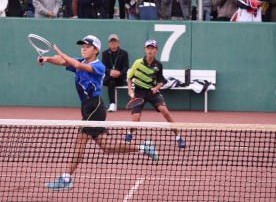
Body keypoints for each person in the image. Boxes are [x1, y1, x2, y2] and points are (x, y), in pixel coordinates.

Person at [41, 35, 159, 191]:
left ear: (96, 50)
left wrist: (60, 52)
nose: (83, 48)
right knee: (107, 147)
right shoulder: (80, 61)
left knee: (79, 142)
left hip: (95, 107)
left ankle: (66, 178)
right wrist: (48, 59)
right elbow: (63, 62)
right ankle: (143, 148)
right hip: (87, 107)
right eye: (82, 46)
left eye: (87, 46)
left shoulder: (99, 66)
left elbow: (74, 63)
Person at [124, 39, 186, 148]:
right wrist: (130, 90)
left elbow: (161, 82)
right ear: (145, 49)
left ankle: (178, 136)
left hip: (152, 92)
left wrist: (155, 88)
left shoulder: (158, 65)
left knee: (165, 111)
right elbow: (129, 78)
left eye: (152, 48)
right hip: (139, 92)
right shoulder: (137, 63)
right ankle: (129, 134)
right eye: (148, 48)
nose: (150, 50)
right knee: (136, 118)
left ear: (156, 50)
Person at [102, 34, 129, 112]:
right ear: (109, 44)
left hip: (120, 78)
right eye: (111, 42)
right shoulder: (105, 53)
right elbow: (104, 67)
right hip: (110, 77)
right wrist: (110, 72)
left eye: (115, 41)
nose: (113, 43)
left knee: (108, 81)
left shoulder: (124, 53)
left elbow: (125, 67)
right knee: (111, 82)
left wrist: (119, 73)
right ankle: (112, 104)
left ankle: (112, 104)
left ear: (118, 43)